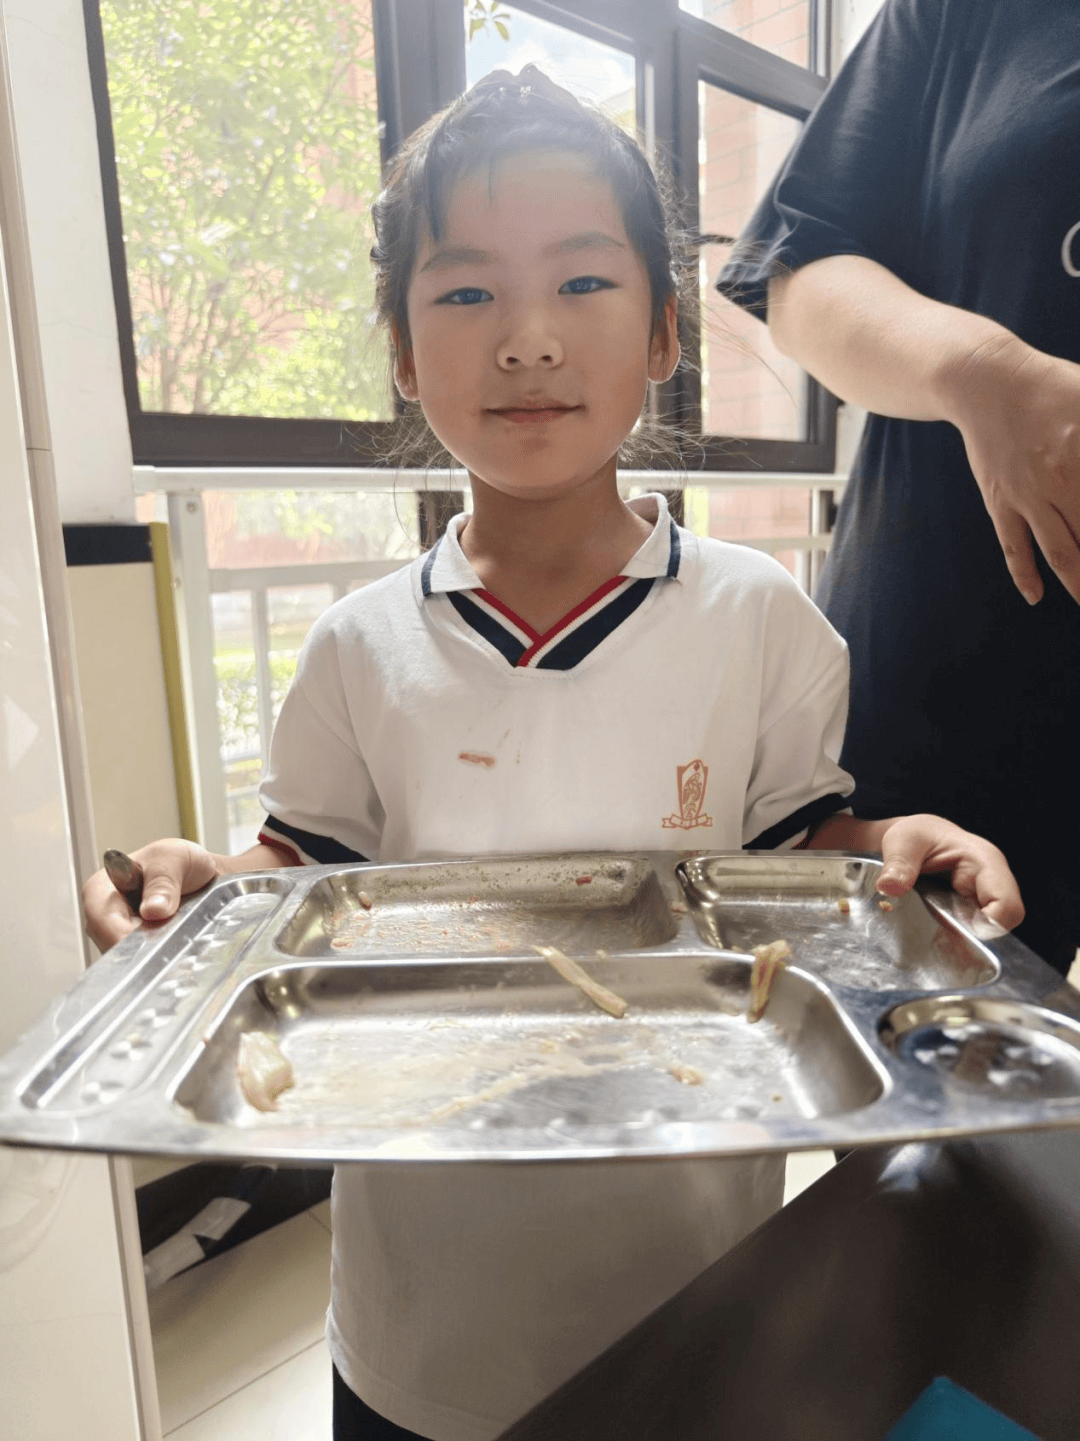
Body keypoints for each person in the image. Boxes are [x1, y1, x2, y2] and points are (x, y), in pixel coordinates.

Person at [84, 68, 1022, 1441]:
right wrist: (197, 884)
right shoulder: (358, 644)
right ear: (403, 351)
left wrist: (899, 850)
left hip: (702, 1285)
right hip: (421, 1328)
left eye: (583, 283)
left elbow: (801, 857)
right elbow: (299, 878)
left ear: (659, 334)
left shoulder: (758, 615)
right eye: (464, 293)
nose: (526, 339)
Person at [716, 0, 1080, 975]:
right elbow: (797, 270)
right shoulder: (962, 12)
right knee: (926, 1092)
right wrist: (986, 371)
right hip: (952, 680)